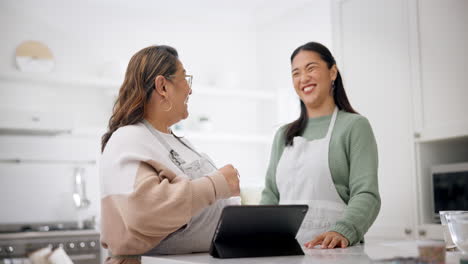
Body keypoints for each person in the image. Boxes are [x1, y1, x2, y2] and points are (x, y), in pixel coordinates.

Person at [99, 45, 241, 264]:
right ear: (162, 86)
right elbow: (145, 213)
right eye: (185, 79)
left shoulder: (177, 142)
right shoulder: (127, 139)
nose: (190, 90)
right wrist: (217, 184)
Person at [260, 42, 380, 249]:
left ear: (332, 72)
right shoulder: (283, 135)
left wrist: (344, 230)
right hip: (285, 250)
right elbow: (271, 195)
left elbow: (366, 194)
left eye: (311, 68)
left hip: (336, 252)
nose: (303, 78)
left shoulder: (354, 126)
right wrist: (255, 232)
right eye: (296, 73)